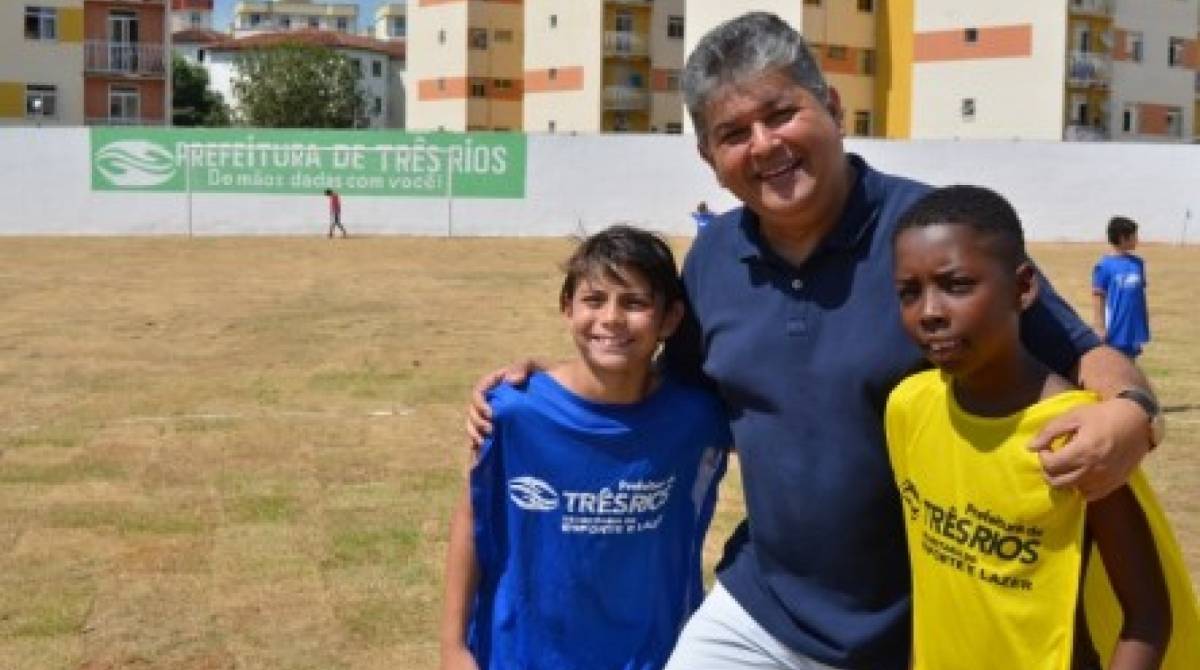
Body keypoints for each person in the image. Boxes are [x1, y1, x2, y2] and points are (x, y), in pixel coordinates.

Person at [467, 12, 1160, 669]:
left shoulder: (930, 239)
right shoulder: (711, 262)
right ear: (710, 158)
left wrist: (1130, 411)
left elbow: (1085, 350)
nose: (764, 145)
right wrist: (552, 380)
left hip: (919, 625)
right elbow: (658, 391)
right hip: (762, 603)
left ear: (830, 104)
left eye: (780, 113)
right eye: (733, 133)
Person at [886, 185, 1199, 670]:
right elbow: (934, 582)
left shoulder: (1078, 438)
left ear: (1024, 287)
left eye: (957, 285)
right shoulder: (908, 407)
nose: (929, 311)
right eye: (910, 292)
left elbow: (1149, 617)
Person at [441, 225, 731, 670]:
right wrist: (453, 647)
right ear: (566, 308)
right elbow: (475, 518)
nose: (611, 318)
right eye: (594, 300)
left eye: (634, 303)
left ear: (670, 319)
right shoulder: (516, 413)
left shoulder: (698, 418)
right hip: (520, 654)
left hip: (655, 654)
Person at [1092, 216, 1149, 359]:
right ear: (1123, 238)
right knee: (1114, 362)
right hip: (1115, 325)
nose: (1137, 239)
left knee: (1131, 362)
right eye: (1134, 236)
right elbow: (1098, 297)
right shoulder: (1104, 266)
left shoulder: (1138, 263)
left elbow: (1138, 294)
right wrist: (1100, 326)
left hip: (1133, 326)